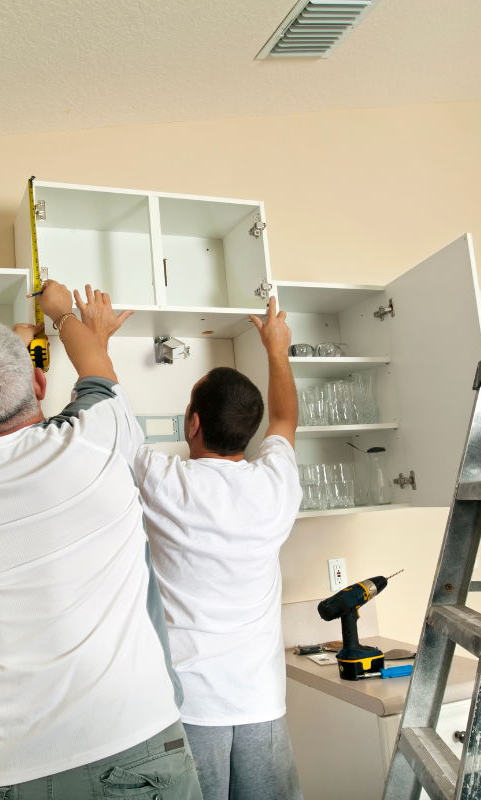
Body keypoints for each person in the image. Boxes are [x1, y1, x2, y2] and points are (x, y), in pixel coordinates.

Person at [0, 279, 204, 800]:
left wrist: (18, 346)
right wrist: (64, 314)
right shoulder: (96, 443)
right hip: (131, 737)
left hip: (7, 766)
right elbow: (97, 374)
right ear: (41, 386)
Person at [132, 295, 305, 800]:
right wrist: (277, 349)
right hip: (262, 703)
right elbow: (286, 420)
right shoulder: (275, 484)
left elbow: (111, 422)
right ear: (248, 431)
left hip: (190, 706)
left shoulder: (166, 482)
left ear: (192, 423)